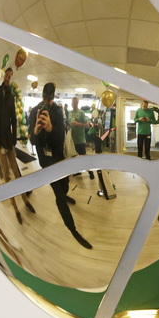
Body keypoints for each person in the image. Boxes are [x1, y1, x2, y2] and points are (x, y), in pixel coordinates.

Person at [28, 82, 92, 249]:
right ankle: (73, 229)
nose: (47, 103)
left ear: (53, 97)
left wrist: (50, 128)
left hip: (59, 157)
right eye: (45, 98)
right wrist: (35, 132)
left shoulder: (57, 110)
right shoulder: (35, 111)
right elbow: (33, 141)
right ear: (42, 96)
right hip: (46, 160)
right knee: (59, 194)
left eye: (49, 99)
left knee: (65, 185)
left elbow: (60, 139)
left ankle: (64, 195)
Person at [0, 67, 35, 222]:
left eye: (10, 77)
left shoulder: (10, 95)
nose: (8, 79)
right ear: (2, 76)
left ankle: (25, 200)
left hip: (9, 141)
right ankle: (15, 208)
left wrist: (13, 137)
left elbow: (13, 118)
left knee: (17, 173)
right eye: (6, 76)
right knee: (6, 176)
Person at [68, 97, 95, 179]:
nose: (73, 104)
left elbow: (87, 125)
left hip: (80, 139)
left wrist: (79, 124)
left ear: (77, 103)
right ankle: (77, 171)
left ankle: (91, 172)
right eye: (72, 102)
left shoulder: (81, 112)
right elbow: (69, 123)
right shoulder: (69, 112)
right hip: (72, 139)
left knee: (83, 157)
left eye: (75, 102)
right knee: (74, 156)